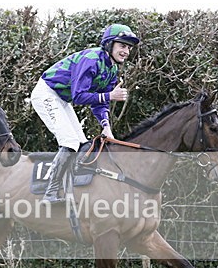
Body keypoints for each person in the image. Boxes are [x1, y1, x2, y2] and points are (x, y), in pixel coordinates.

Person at [30, 23, 139, 203]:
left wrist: (106, 126)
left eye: (129, 47)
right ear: (109, 44)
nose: (126, 51)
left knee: (81, 144)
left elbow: (99, 103)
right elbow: (79, 96)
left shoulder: (111, 69)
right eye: (122, 45)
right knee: (70, 141)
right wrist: (110, 95)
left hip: (62, 99)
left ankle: (69, 188)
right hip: (46, 93)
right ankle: (50, 193)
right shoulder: (91, 59)